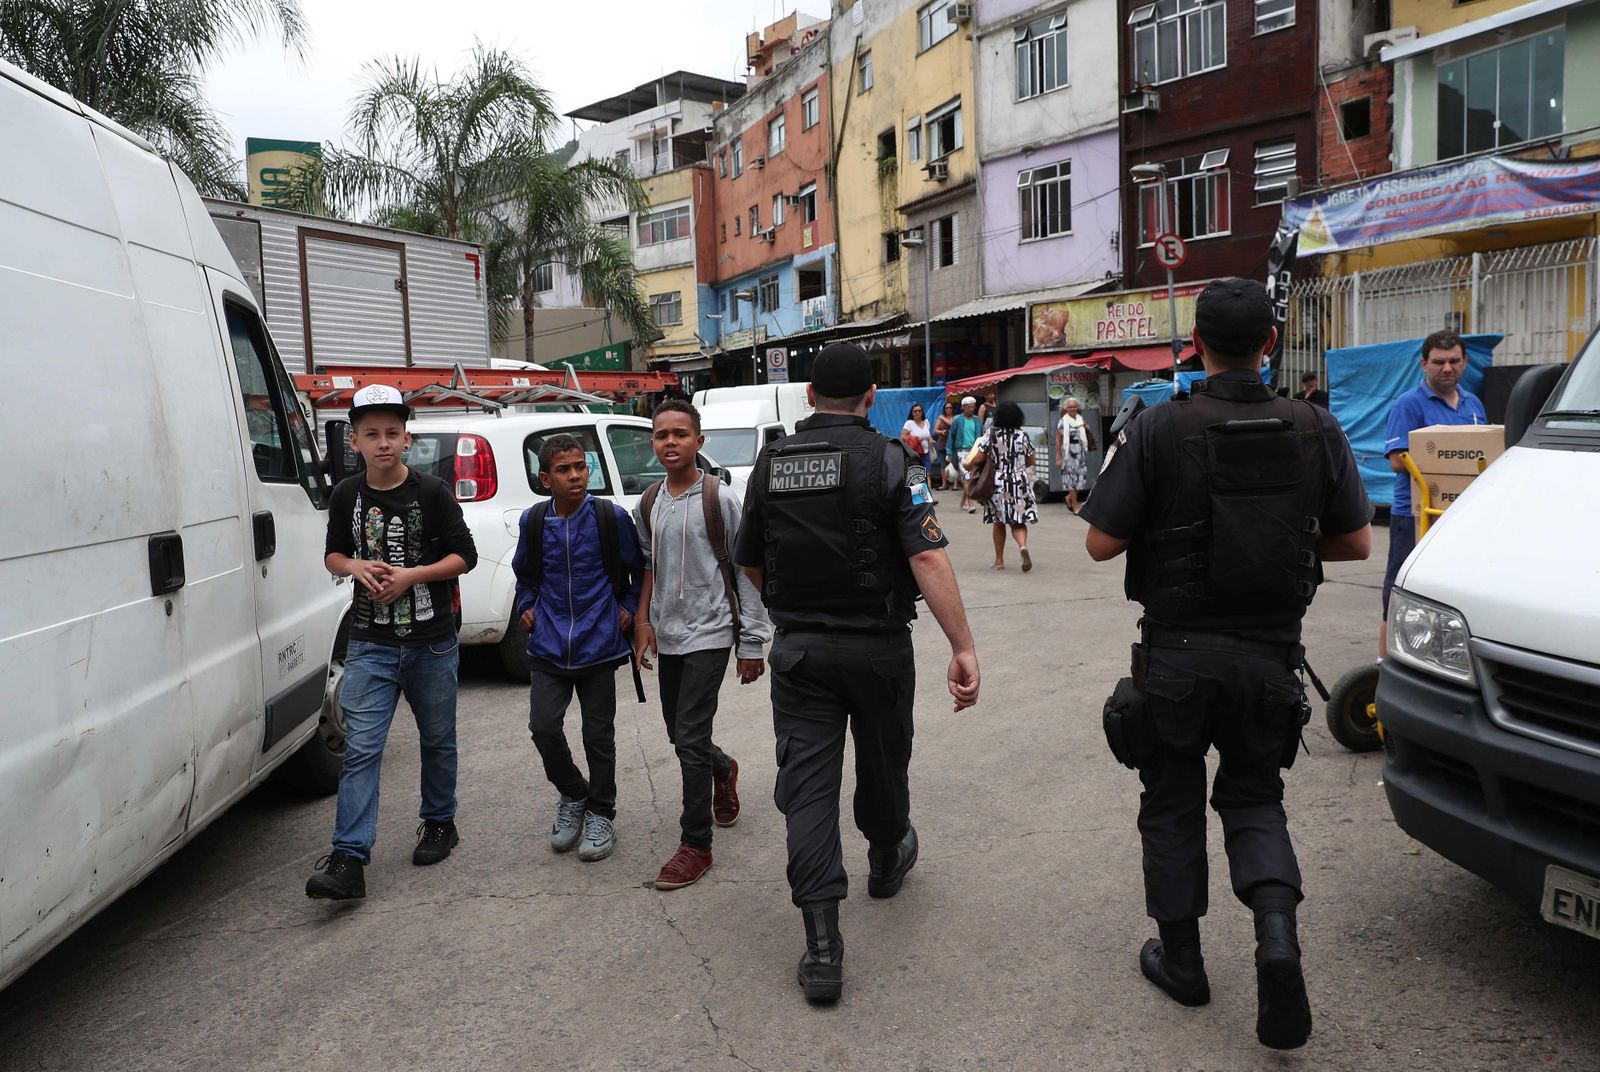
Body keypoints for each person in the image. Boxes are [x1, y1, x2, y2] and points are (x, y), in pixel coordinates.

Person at [1082, 279, 1373, 1051]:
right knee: (1255, 801)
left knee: (1171, 803)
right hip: (1269, 658)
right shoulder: (1316, 426)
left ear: (1195, 347)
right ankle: (1276, 939)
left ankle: (1183, 964)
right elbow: (1355, 544)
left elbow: (1100, 541)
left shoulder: (1156, 427)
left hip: (1176, 658)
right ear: (1270, 343)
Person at [734, 342, 981, 1004]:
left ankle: (822, 948)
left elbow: (750, 561)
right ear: (872, 398)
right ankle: (885, 854)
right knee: (882, 763)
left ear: (809, 397)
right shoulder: (894, 459)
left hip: (801, 653)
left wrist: (789, 606)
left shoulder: (771, 462)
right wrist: (963, 645)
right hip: (877, 649)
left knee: (808, 790)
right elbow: (927, 559)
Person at [306, 384, 478, 901]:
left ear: (407, 438)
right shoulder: (345, 494)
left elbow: (463, 555)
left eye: (392, 433)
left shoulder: (432, 491)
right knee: (362, 748)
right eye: (371, 434)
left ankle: (439, 822)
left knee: (437, 739)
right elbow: (334, 554)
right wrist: (355, 565)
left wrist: (411, 576)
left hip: (431, 642)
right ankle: (349, 857)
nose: (383, 442)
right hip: (369, 643)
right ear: (354, 441)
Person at [632, 400, 773, 891]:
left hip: (711, 632)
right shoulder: (648, 502)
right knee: (679, 734)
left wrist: (752, 641)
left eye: (680, 434)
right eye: (661, 435)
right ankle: (723, 768)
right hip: (668, 634)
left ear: (699, 441)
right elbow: (647, 566)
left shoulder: (720, 497)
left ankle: (696, 845)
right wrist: (644, 621)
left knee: (688, 736)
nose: (669, 442)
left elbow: (747, 570)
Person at [512, 434, 644, 864]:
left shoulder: (610, 517)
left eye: (581, 468)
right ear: (545, 478)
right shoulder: (534, 522)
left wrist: (626, 609)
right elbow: (526, 576)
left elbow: (636, 570)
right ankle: (574, 795)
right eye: (565, 470)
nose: (576, 476)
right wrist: (526, 606)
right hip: (549, 645)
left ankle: (602, 811)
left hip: (599, 644)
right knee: (544, 728)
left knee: (598, 736)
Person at [1380, 329, 1486, 655]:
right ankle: (1385, 660)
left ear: (1465, 362)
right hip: (1415, 514)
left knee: (1453, 587)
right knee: (1401, 586)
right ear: (1424, 364)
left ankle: (1445, 653)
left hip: (1461, 514)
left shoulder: (1473, 403)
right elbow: (1398, 460)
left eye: (1454, 361)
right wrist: (1447, 455)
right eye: (1439, 362)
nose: (1447, 368)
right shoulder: (1409, 404)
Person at [968, 401, 1039, 572]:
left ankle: (999, 561)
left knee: (999, 522)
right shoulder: (1022, 436)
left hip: (998, 482)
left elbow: (978, 459)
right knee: (1018, 520)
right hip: (1019, 482)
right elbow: (1031, 460)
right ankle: (1022, 546)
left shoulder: (992, 435)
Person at [1054, 397, 1095, 515]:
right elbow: (1058, 440)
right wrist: (1057, 457)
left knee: (1080, 479)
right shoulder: (1062, 421)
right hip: (1068, 453)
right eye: (1070, 407)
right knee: (1071, 480)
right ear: (1065, 409)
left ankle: (1069, 498)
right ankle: (1075, 505)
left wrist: (1087, 429)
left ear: (1077, 408)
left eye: (1074, 406)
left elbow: (1086, 435)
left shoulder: (1080, 420)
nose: (1072, 408)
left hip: (1080, 453)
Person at [949, 395, 982, 513]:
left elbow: (981, 436)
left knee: (970, 478)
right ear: (963, 408)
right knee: (967, 478)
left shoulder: (977, 420)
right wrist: (949, 452)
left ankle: (963, 502)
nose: (971, 409)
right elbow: (951, 437)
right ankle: (971, 503)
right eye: (969, 407)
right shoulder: (957, 420)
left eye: (973, 407)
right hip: (961, 452)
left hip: (974, 451)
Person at [900, 403, 935, 474]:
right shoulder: (909, 423)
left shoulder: (926, 422)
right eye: (915, 411)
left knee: (927, 473)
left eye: (919, 410)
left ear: (922, 412)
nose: (917, 412)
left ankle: (927, 485)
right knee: (916, 474)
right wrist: (915, 439)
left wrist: (931, 440)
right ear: (912, 413)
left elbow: (928, 435)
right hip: (914, 453)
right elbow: (902, 437)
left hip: (926, 452)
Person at [933, 400, 956, 490]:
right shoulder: (940, 419)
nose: (948, 409)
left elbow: (951, 424)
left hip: (953, 444)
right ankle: (944, 484)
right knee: (943, 465)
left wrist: (942, 418)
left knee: (954, 463)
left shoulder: (955, 418)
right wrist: (941, 431)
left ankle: (955, 483)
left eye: (950, 407)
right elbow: (935, 430)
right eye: (946, 408)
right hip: (942, 443)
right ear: (944, 409)